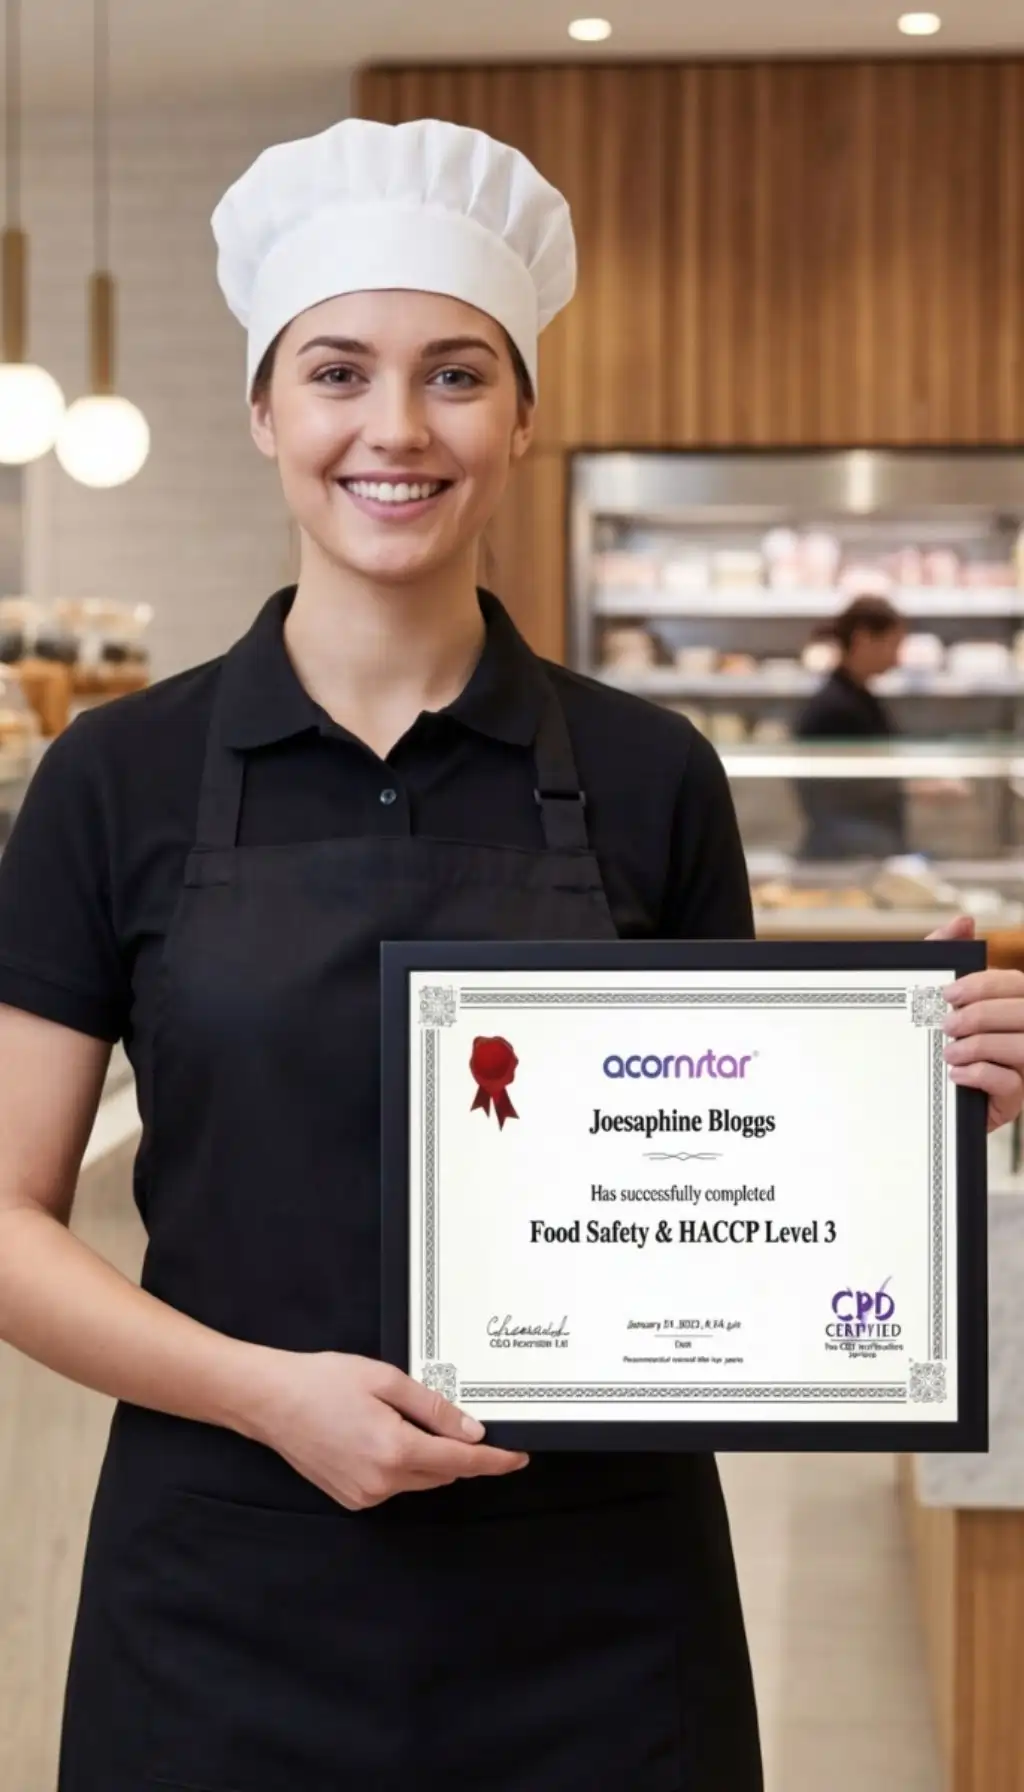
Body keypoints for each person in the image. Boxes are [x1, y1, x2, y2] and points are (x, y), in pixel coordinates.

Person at [0, 117, 1022, 1792]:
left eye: (454, 374)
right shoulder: (115, 778)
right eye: (336, 371)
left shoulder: (647, 772)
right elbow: (6, 1221)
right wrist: (270, 1397)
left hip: (596, 1601)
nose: (391, 428)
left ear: (524, 416)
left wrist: (903, 1116)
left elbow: (713, 1155)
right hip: (227, 1578)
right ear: (263, 409)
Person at [794, 594, 909, 859]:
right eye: (894, 645)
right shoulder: (835, 707)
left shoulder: (857, 697)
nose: (897, 659)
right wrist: (916, 788)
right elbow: (842, 787)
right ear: (863, 639)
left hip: (864, 844)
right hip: (847, 849)